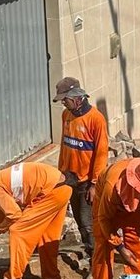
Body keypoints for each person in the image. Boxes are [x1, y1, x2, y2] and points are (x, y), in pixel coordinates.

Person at [53, 77, 107, 253]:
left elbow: (101, 154)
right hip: (70, 178)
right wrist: (61, 173)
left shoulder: (96, 119)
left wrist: (94, 184)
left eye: (65, 100)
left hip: (86, 182)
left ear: (76, 98)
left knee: (87, 223)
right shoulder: (66, 115)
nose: (63, 104)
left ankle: (96, 261)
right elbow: (65, 146)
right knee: (78, 218)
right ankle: (90, 251)